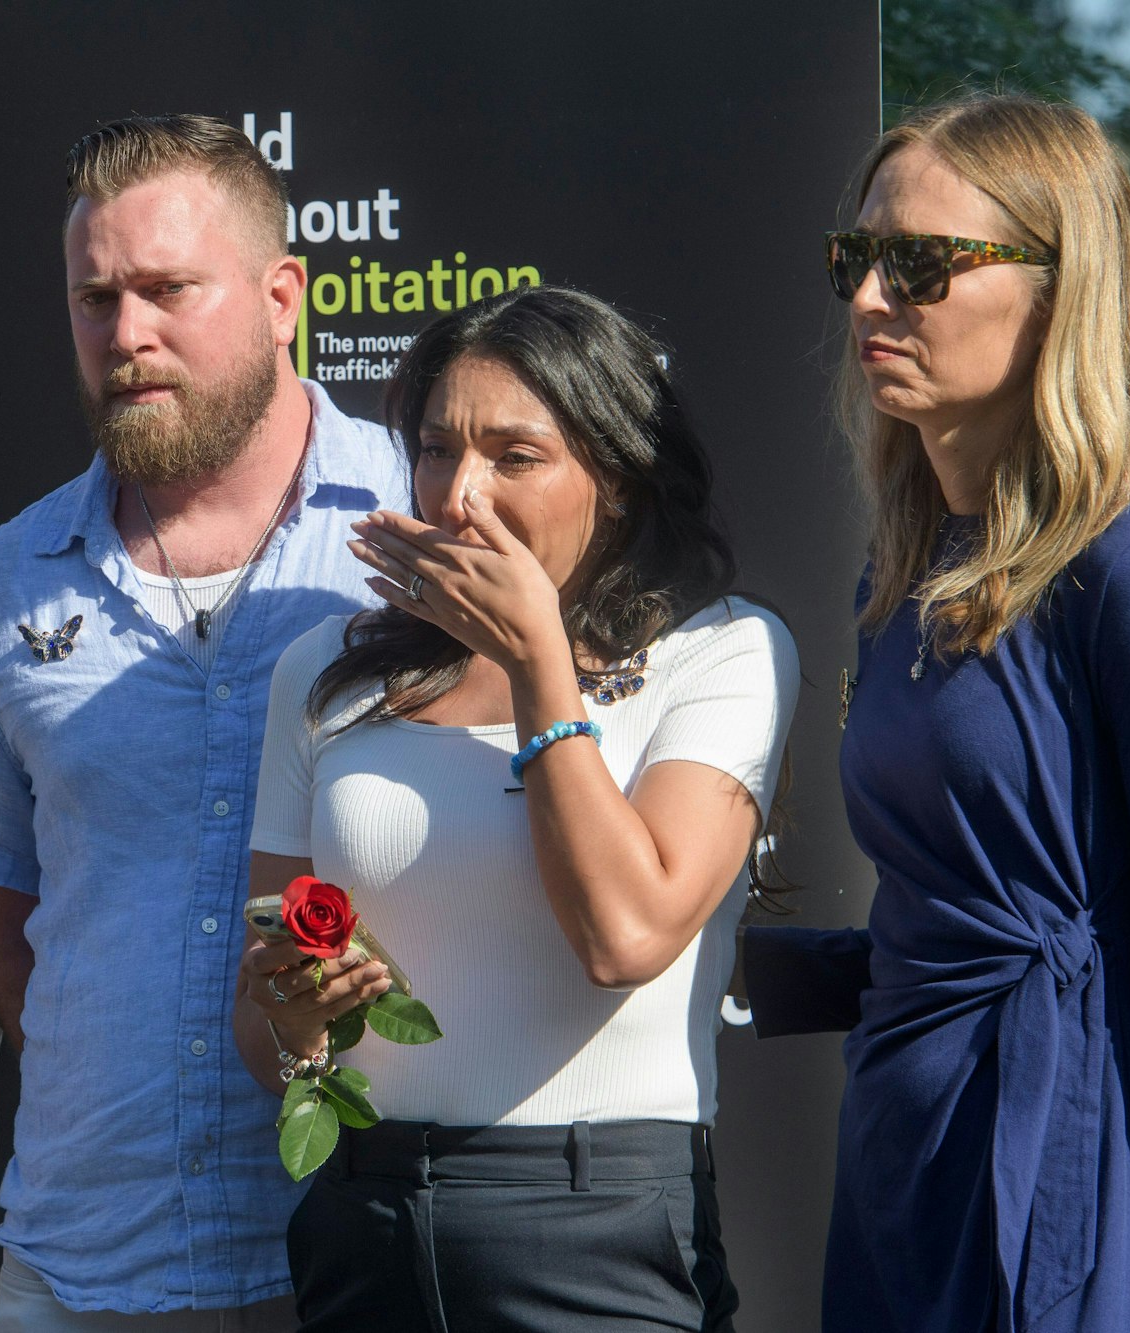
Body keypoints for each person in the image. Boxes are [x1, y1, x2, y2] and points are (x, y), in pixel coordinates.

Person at [740, 92, 1130, 1332]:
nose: (865, 300)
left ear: (1060, 290)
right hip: (910, 1161)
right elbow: (973, 911)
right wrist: (759, 972)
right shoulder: (898, 572)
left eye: (920, 265)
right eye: (855, 259)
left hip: (1075, 1175)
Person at [235, 284, 798, 1332]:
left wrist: (539, 658)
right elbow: (265, 1025)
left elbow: (623, 935)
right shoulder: (325, 674)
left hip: (595, 1219)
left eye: (514, 456)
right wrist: (296, 1020)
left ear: (618, 480)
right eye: (437, 449)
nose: (459, 496)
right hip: (364, 1214)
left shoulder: (720, 653)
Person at [0, 114, 403, 1330]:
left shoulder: (421, 528)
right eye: (94, 299)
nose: (125, 335)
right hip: (82, 1262)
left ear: (282, 293)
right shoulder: (2, 581)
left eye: (166, 290)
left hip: (369, 1251)